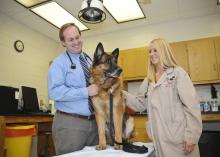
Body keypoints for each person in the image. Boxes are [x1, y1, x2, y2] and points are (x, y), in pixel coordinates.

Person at [122, 38, 202, 157]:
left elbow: (192, 107)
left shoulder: (178, 74)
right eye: (149, 51)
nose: (152, 54)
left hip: (179, 140)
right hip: (158, 139)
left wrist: (191, 136)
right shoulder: (148, 79)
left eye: (155, 50)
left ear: (164, 51)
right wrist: (121, 93)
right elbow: (139, 104)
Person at [48, 23, 99, 155]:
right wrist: (85, 91)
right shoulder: (58, 64)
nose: (76, 42)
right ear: (63, 43)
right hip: (70, 125)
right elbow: (54, 92)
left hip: (94, 123)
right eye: (71, 40)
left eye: (77, 37)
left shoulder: (90, 60)